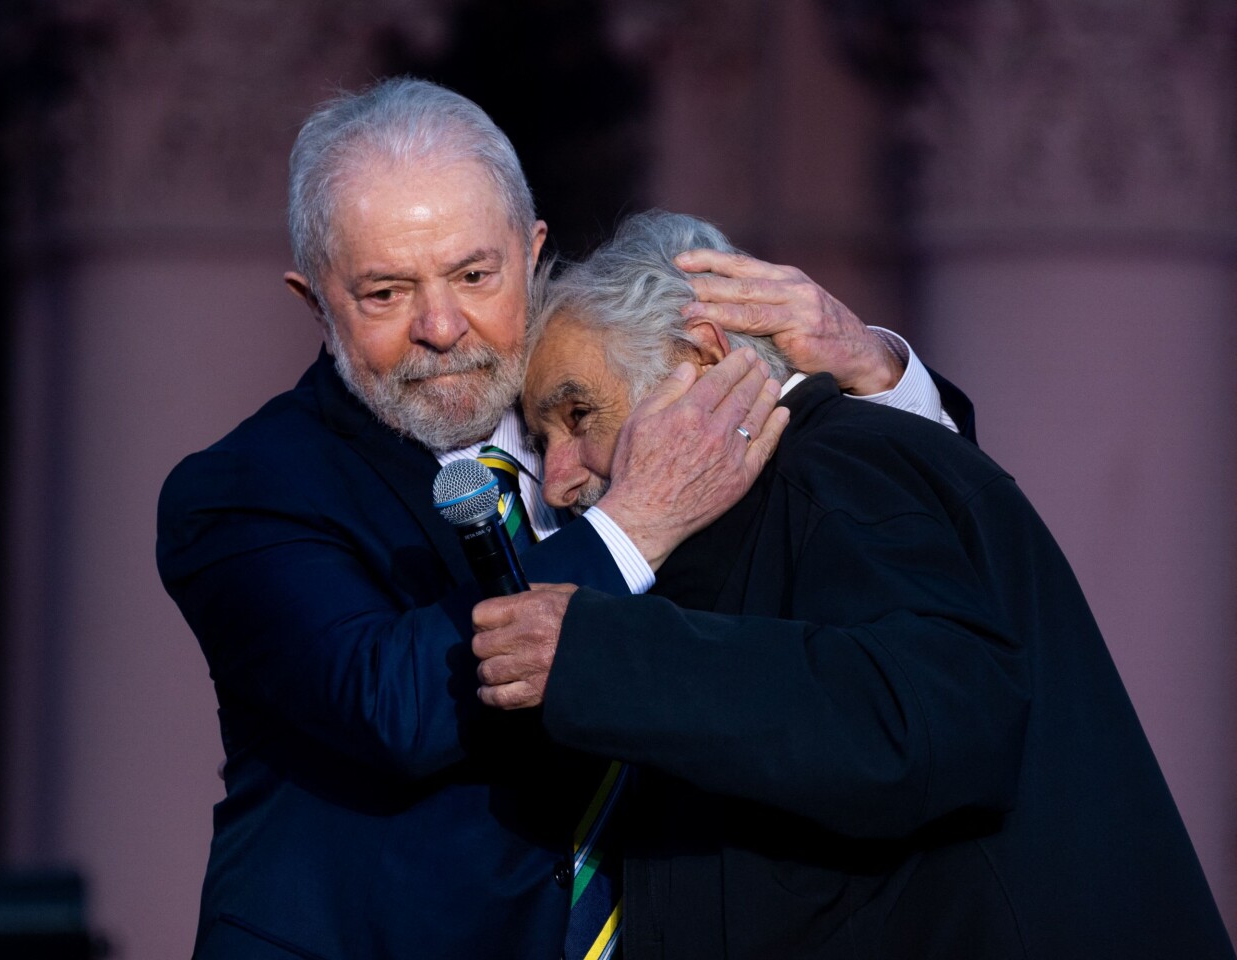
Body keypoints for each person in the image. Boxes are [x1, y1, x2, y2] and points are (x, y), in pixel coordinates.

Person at [157, 77, 963, 959]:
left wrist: (878, 371)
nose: (440, 325)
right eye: (385, 293)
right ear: (315, 301)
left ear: (532, 252)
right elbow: (390, 702)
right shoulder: (242, 489)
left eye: (474, 275)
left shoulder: (606, 392)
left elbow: (872, 540)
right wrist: (634, 526)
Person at [474, 210, 1236, 959]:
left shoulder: (840, 468)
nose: (560, 480)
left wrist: (602, 655)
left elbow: (924, 719)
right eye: (541, 444)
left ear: (703, 359)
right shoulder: (770, 510)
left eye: (579, 415)